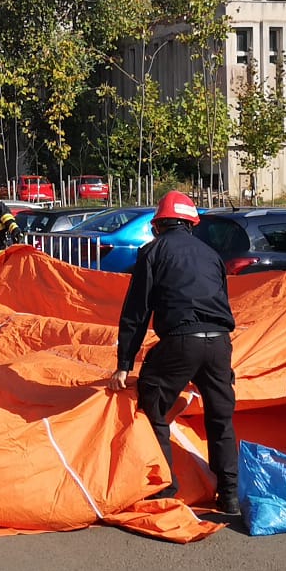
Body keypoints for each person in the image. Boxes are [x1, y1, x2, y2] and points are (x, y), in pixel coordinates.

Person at [107, 191, 241, 515]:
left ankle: (165, 487)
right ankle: (230, 495)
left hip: (181, 341)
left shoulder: (152, 252)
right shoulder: (211, 255)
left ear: (158, 226)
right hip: (219, 342)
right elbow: (221, 301)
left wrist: (124, 364)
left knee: (153, 404)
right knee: (220, 418)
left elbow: (137, 311)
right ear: (191, 224)